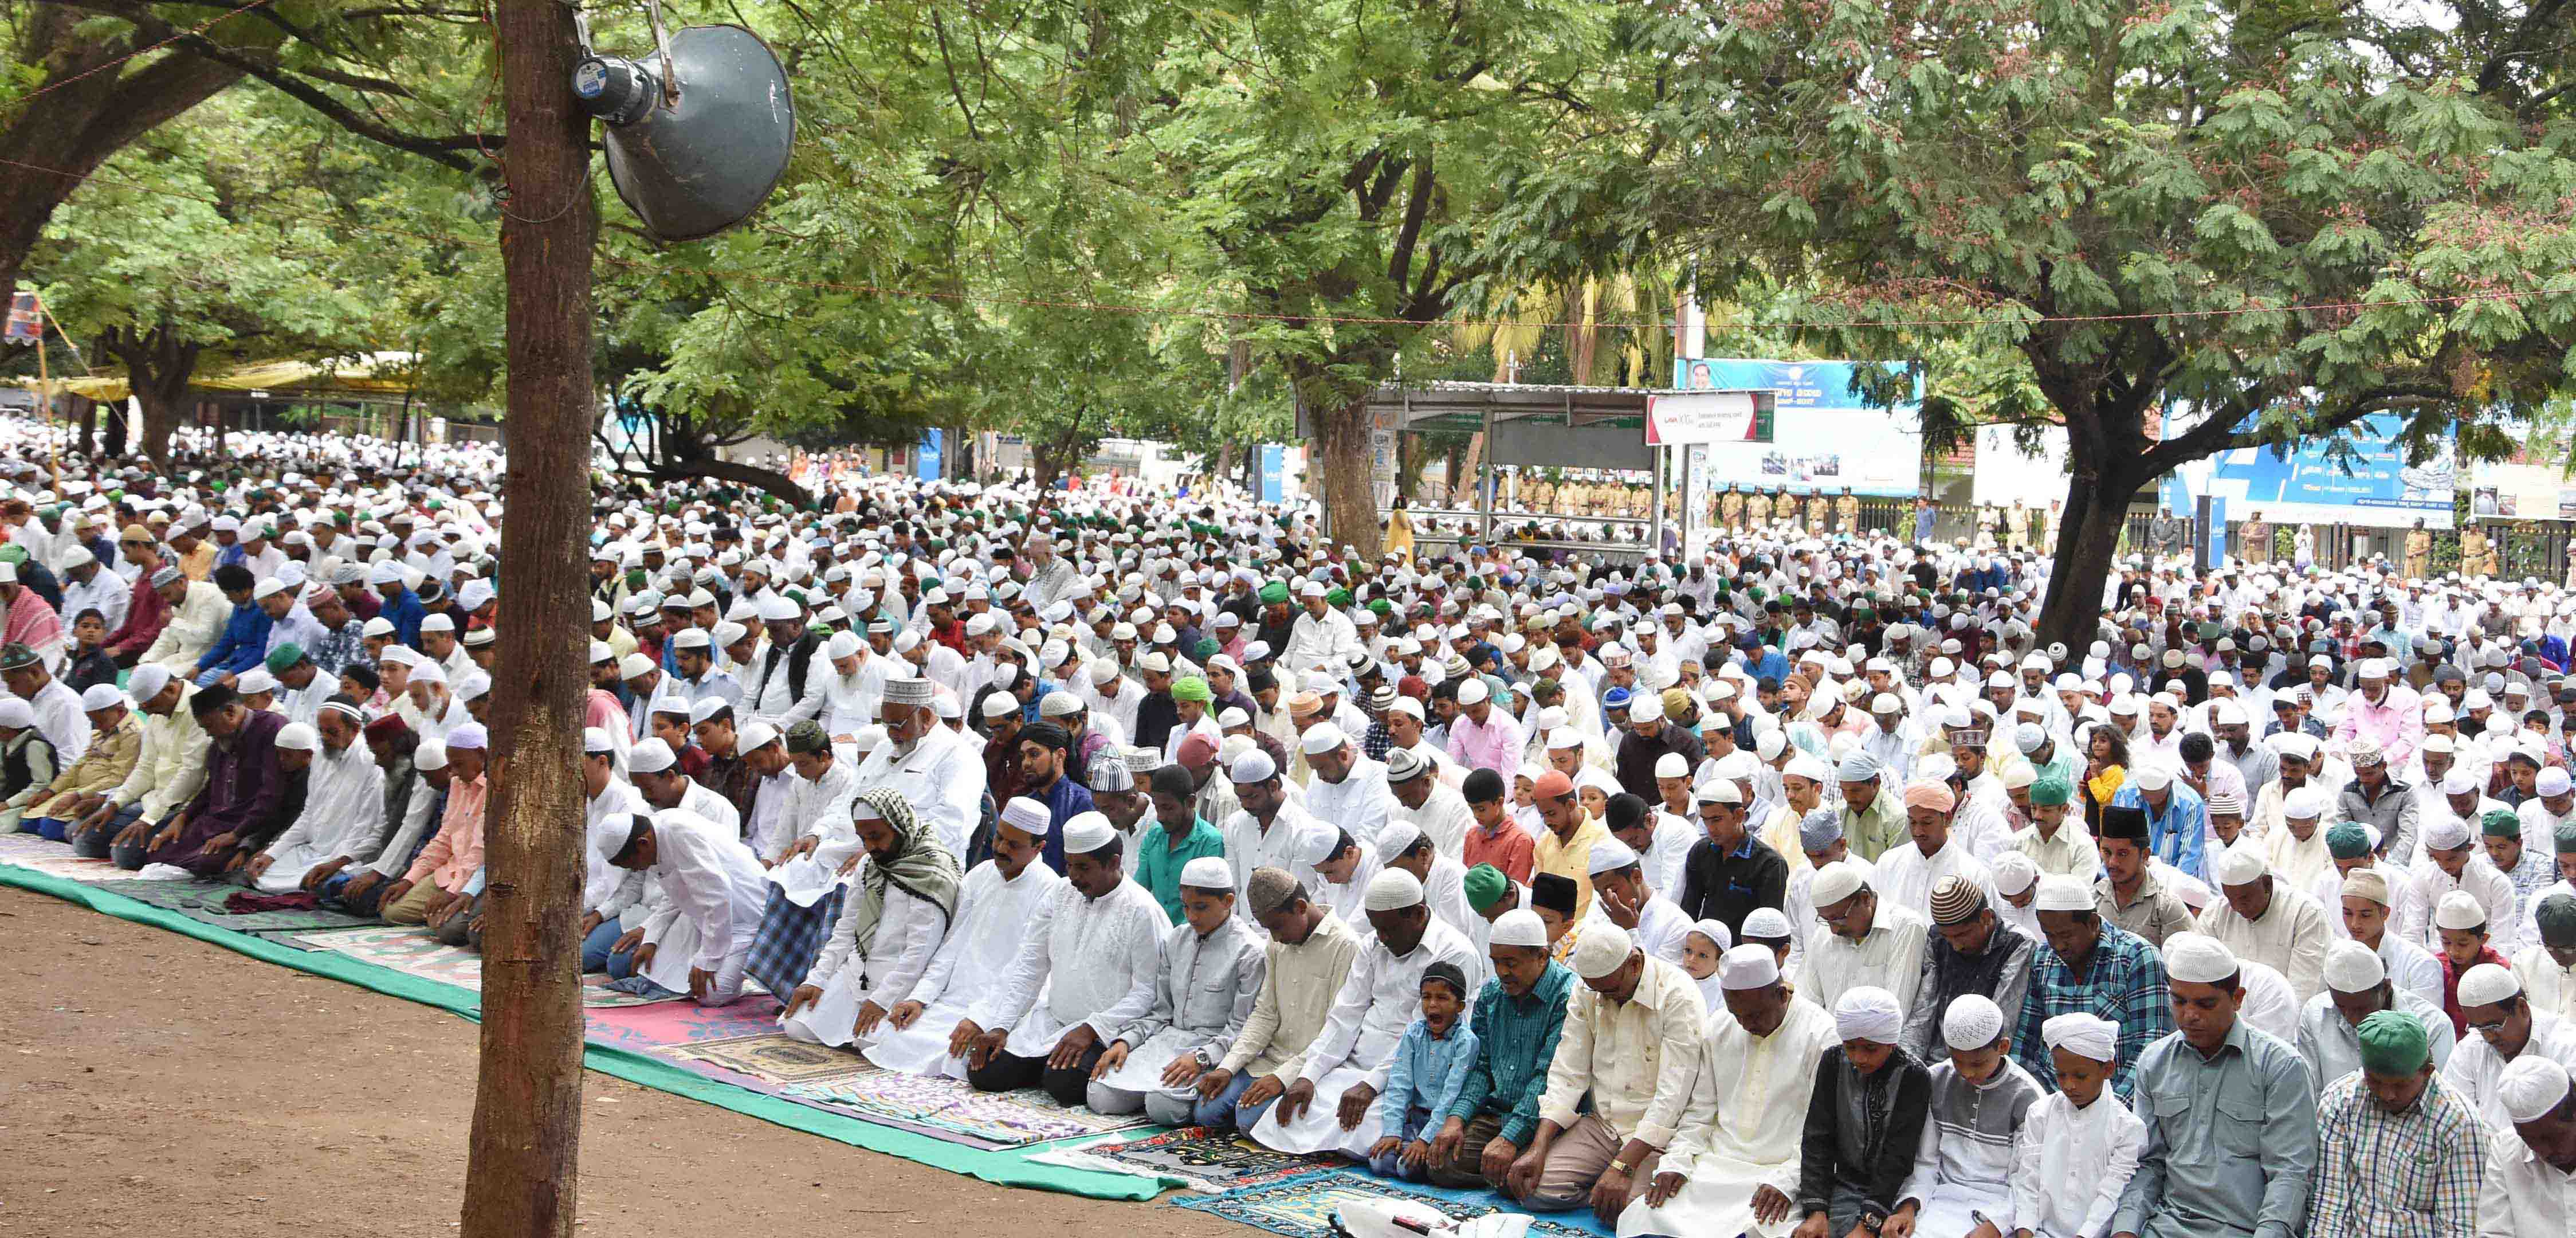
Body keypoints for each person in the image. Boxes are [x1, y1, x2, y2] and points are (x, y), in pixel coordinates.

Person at [1253, 867, 1479, 1156]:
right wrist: (1309, 1075)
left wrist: (1371, 1085)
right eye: (1376, 928)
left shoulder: (1456, 953)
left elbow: (1422, 1037)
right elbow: (1345, 1016)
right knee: (1276, 1118)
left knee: (1368, 1143)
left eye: (1389, 929)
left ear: (1419, 914)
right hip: (1353, 1067)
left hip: (1407, 1079)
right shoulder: (1373, 944)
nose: (1382, 938)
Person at [1620, 943, 1835, 1238]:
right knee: (1645, 1215)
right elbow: (1699, 1113)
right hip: (1713, 1170)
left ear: (1782, 994)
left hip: (1778, 1173)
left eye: (1755, 1015)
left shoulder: (1821, 1035)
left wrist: (1788, 1181)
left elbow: (1821, 1132)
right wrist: (1677, 1162)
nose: (1746, 1025)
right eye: (1738, 1015)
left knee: (1764, 1229)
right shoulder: (1720, 1027)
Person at [2111, 933, 2319, 1238]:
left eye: (2205, 1004)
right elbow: (2148, 1162)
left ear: (2238, 999)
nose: (2190, 1015)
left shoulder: (2281, 1066)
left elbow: (2290, 1172)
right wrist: (2125, 1229)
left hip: (2246, 1229)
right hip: (2166, 1225)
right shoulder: (2154, 1062)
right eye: (2179, 1002)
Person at [956, 813, 1164, 1105]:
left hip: (1105, 1029)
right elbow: (1030, 965)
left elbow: (1148, 992)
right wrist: (1001, 1026)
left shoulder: (1142, 910)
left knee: (1065, 1084)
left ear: (1114, 863)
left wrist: (1091, 1029)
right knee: (985, 1071)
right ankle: (1044, 1063)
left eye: (1083, 868)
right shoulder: (1060, 893)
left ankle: (1051, 1067)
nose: (1074, 876)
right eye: (1069, 865)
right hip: (1054, 1020)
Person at [1510, 924, 1703, 1225]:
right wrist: (1539, 1148)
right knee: (1533, 1190)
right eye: (1596, 989)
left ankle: (1611, 1189)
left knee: (1628, 1214)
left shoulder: (1678, 995)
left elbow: (1673, 1096)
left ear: (1634, 964)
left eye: (1611, 990)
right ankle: (1602, 1188)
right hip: (1603, 1125)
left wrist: (1623, 1167)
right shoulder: (1589, 989)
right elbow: (1567, 1071)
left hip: (1654, 1136)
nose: (1604, 998)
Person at [861, 806, 1066, 1078]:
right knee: (881, 1033)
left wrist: (980, 1019)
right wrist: (920, 998)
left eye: (1013, 844)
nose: (1001, 848)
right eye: (999, 838)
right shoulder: (981, 874)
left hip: (1005, 1005)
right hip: (956, 997)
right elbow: (952, 945)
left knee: (960, 1058)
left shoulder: (1049, 890)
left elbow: (1024, 968)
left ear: (1038, 847)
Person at [780, 788, 964, 1050]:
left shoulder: (930, 871)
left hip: (902, 982)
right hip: (858, 974)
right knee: (796, 1026)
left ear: (899, 826)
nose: (870, 847)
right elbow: (845, 929)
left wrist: (883, 1000)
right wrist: (817, 979)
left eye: (877, 837)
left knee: (871, 1044)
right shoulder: (869, 864)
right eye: (863, 838)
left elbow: (920, 953)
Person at [1090, 855, 1263, 1122]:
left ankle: (1161, 1097)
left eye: (1201, 908)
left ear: (1228, 902)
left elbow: (1243, 1028)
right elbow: (1160, 1011)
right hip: (1168, 1041)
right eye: (1186, 907)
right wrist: (1126, 1041)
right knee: (1099, 1093)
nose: (1192, 917)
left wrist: (1202, 1059)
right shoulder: (1176, 940)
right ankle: (1150, 1094)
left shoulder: (1250, 951)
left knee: (1161, 1107)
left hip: (1213, 1050)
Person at [1204, 868, 1366, 1131]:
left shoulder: (1345, 945)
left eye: (1277, 926)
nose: (1275, 937)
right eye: (1268, 929)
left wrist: (1282, 1078)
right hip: (1269, 1061)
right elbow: (1265, 1014)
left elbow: (1335, 1033)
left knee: (1247, 1121)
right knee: (1206, 1112)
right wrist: (1228, 1067)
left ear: (1301, 907)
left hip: (1312, 1068)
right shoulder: (1276, 939)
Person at [1428, 908, 1573, 1189]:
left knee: (1527, 1180)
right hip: (1497, 1112)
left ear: (1542, 956)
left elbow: (1549, 1077)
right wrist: (1456, 1118)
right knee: (1440, 1163)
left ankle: (1516, 1169)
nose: (1502, 972)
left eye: (1511, 963)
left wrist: (1511, 1138)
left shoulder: (1566, 997)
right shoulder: (1493, 993)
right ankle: (1504, 1174)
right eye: (1496, 962)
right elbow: (1480, 1066)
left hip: (1545, 1122)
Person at [2307, 1010, 2485, 1235]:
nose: (2387, 1094)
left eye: (2400, 1085)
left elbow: (2460, 1226)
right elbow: (2330, 1205)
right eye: (2375, 1081)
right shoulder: (2339, 1103)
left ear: (2428, 1071)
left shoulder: (2459, 1124)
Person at [1887, 994, 2044, 1238]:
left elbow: (2027, 1181)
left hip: (2001, 1207)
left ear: (2003, 1047)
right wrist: (1908, 1208)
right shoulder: (1935, 1080)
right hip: (1940, 1199)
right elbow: (1926, 1162)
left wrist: (1996, 1226)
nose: (1967, 1073)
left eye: (1978, 1064)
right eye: (1958, 1062)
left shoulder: (2028, 1096)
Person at [2016, 875, 2177, 1102]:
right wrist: (2028, 1098)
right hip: (2053, 1096)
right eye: (2050, 935)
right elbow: (2027, 1037)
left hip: (2117, 1097)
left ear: (2093, 923)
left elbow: (2150, 1043)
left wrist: (2111, 1112)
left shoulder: (2136, 957)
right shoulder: (2044, 959)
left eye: (2066, 935)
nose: (2058, 945)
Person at [1792, 988, 1934, 1238]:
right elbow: (1817, 1138)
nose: (1859, 1058)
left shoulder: (1913, 1075)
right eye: (1851, 1047)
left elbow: (1898, 1155)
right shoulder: (1834, 1060)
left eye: (1870, 1048)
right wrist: (1816, 1211)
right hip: (1841, 1184)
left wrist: (1868, 1224)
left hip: (1895, 1191)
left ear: (1891, 1043)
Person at [605, 808, 773, 1006]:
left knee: (709, 995)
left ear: (643, 844)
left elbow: (718, 896)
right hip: (704, 918)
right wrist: (651, 936)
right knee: (624, 963)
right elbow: (676, 892)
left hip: (746, 921)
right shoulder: (656, 834)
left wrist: (707, 959)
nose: (635, 869)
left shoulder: (678, 832)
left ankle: (757, 967)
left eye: (632, 863)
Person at [2009, 1013, 2145, 1238]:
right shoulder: (2040, 1113)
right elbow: (2027, 1181)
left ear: (2108, 1070)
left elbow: (2112, 1194)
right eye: (2061, 1075)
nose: (2069, 1086)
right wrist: (2026, 1231)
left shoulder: (2128, 1128)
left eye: (2081, 1076)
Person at [1901, 876, 2037, 1064]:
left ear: (1986, 918)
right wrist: (1908, 1065)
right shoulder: (1936, 939)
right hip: (1937, 1061)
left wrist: (1966, 1066)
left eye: (1962, 935)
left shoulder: (2017, 944)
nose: (1955, 946)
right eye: (1947, 937)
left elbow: (2003, 1020)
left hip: (1983, 1061)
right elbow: (1924, 1011)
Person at [2299, 939, 2457, 1096]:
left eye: (2361, 1009)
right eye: (2341, 1007)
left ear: (2386, 989)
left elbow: (2437, 1100)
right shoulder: (2315, 1014)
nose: (2352, 1019)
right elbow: (2312, 1094)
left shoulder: (2433, 1026)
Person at [1366, 961, 1477, 1181]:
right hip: (1415, 1120)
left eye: (1442, 998)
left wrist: (1425, 1140)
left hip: (1443, 1125)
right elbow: (1399, 1083)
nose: (1432, 1006)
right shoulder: (1414, 1033)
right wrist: (1392, 1132)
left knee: (1408, 1168)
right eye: (1426, 997)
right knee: (1379, 1162)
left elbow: (1450, 1097)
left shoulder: (1466, 1042)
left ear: (1460, 1006)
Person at [2445, 962, 2576, 1133]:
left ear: (2522, 1008)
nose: (2489, 1037)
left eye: (2494, 1026)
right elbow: (2456, 1119)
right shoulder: (2470, 1048)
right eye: (2479, 1028)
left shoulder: (2567, 1045)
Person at [2198, 843, 2332, 1005]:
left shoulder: (2306, 913)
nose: (2236, 907)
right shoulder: (2216, 913)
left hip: (2285, 1017)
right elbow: (2202, 973)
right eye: (2230, 899)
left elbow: (2303, 991)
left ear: (2268, 884)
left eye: (2245, 899)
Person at [1803, 860, 1930, 1018]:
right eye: (1826, 920)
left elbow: (1895, 1014)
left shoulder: (1906, 927)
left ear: (1865, 899)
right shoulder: (1823, 934)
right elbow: (1808, 1004)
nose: (1833, 930)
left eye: (1839, 919)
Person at [1133, 763, 1227, 923]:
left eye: (1168, 808)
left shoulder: (1210, 841)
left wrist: (1174, 941)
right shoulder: (1154, 835)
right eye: (1157, 808)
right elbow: (1139, 892)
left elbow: (1203, 906)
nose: (1161, 816)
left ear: (1190, 802)